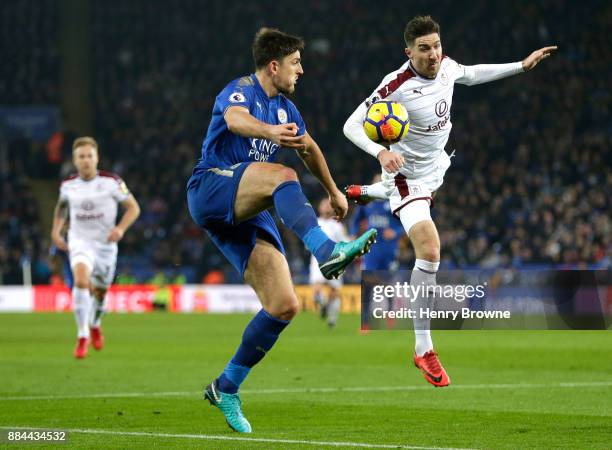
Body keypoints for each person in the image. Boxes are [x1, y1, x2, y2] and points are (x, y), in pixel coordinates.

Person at [343, 15, 556, 387]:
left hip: (437, 167)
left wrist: (521, 66)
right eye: (424, 49)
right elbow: (350, 125)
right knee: (430, 249)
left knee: (417, 214)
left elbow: (473, 74)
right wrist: (379, 152)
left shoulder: (447, 68)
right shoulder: (395, 85)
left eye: (436, 46)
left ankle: (368, 191)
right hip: (407, 178)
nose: (433, 54)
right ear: (408, 52)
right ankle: (423, 348)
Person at [186, 28, 377, 433]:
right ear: (274, 66)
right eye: (295, 63)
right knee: (282, 175)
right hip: (210, 187)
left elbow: (309, 147)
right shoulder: (240, 91)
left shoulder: (287, 109)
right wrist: (269, 132)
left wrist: (332, 191)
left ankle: (226, 387)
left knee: (284, 305)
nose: (301, 70)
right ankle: (326, 252)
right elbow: (234, 121)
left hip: (245, 210)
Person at [51, 137, 140, 359]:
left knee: (100, 292)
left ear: (96, 158)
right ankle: (82, 337)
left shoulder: (112, 182)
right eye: (81, 156)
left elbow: (133, 208)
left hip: (105, 245)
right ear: (74, 160)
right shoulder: (68, 185)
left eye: (89, 156)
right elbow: (61, 209)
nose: (86, 160)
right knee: (81, 281)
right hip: (79, 241)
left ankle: (95, 323)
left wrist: (120, 229)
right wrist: (56, 231)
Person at [349, 175, 404, 331]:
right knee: (367, 284)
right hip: (371, 250)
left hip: (389, 250)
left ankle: (390, 314)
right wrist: (353, 234)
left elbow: (406, 222)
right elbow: (355, 221)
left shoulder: (394, 202)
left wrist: (395, 231)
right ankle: (365, 322)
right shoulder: (367, 202)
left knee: (387, 285)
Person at [309, 198, 350, 328]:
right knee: (316, 289)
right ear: (319, 208)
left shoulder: (338, 225)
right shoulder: (314, 222)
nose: (326, 207)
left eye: (329, 205)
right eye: (324, 204)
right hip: (317, 258)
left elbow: (345, 241)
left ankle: (332, 318)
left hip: (335, 259)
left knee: (334, 291)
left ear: (333, 208)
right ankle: (322, 305)